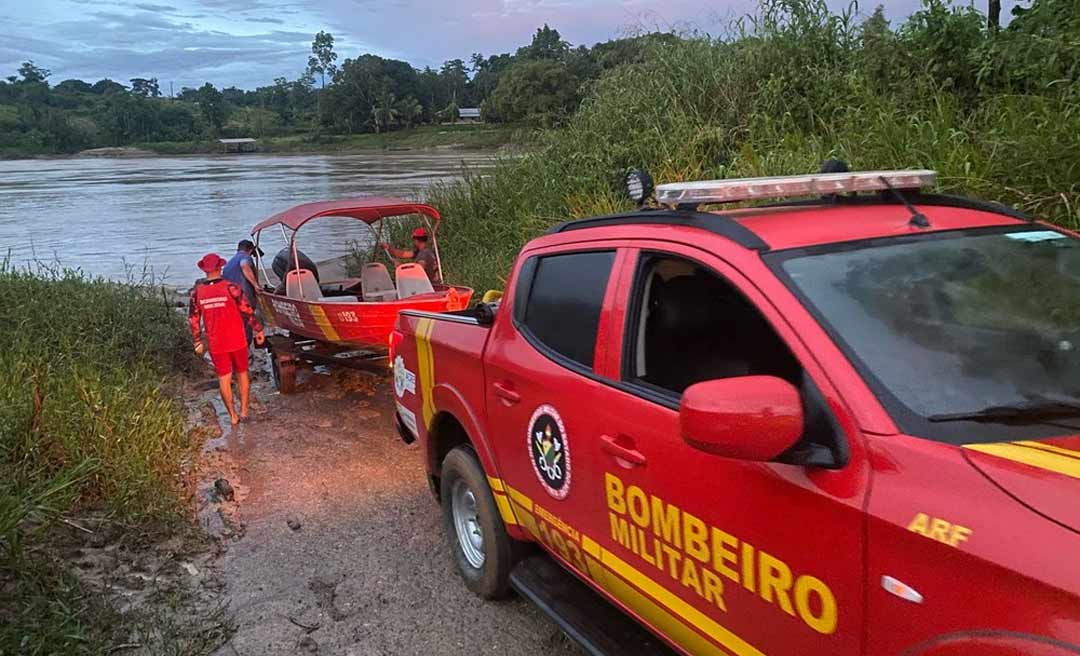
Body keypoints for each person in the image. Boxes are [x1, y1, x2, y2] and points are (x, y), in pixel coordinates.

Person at [189, 253, 265, 425]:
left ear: (204, 270)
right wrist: (258, 330)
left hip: (217, 342)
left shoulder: (197, 293)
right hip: (237, 339)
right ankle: (244, 411)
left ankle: (232, 416)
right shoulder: (232, 287)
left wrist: (197, 341)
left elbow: (193, 319)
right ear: (220, 267)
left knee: (224, 377)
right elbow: (246, 310)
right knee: (242, 373)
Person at [223, 239, 261, 343]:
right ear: (250, 250)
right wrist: (255, 285)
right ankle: (246, 346)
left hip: (231, 298)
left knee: (236, 323)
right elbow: (244, 266)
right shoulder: (245, 257)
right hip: (244, 297)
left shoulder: (228, 264)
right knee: (247, 321)